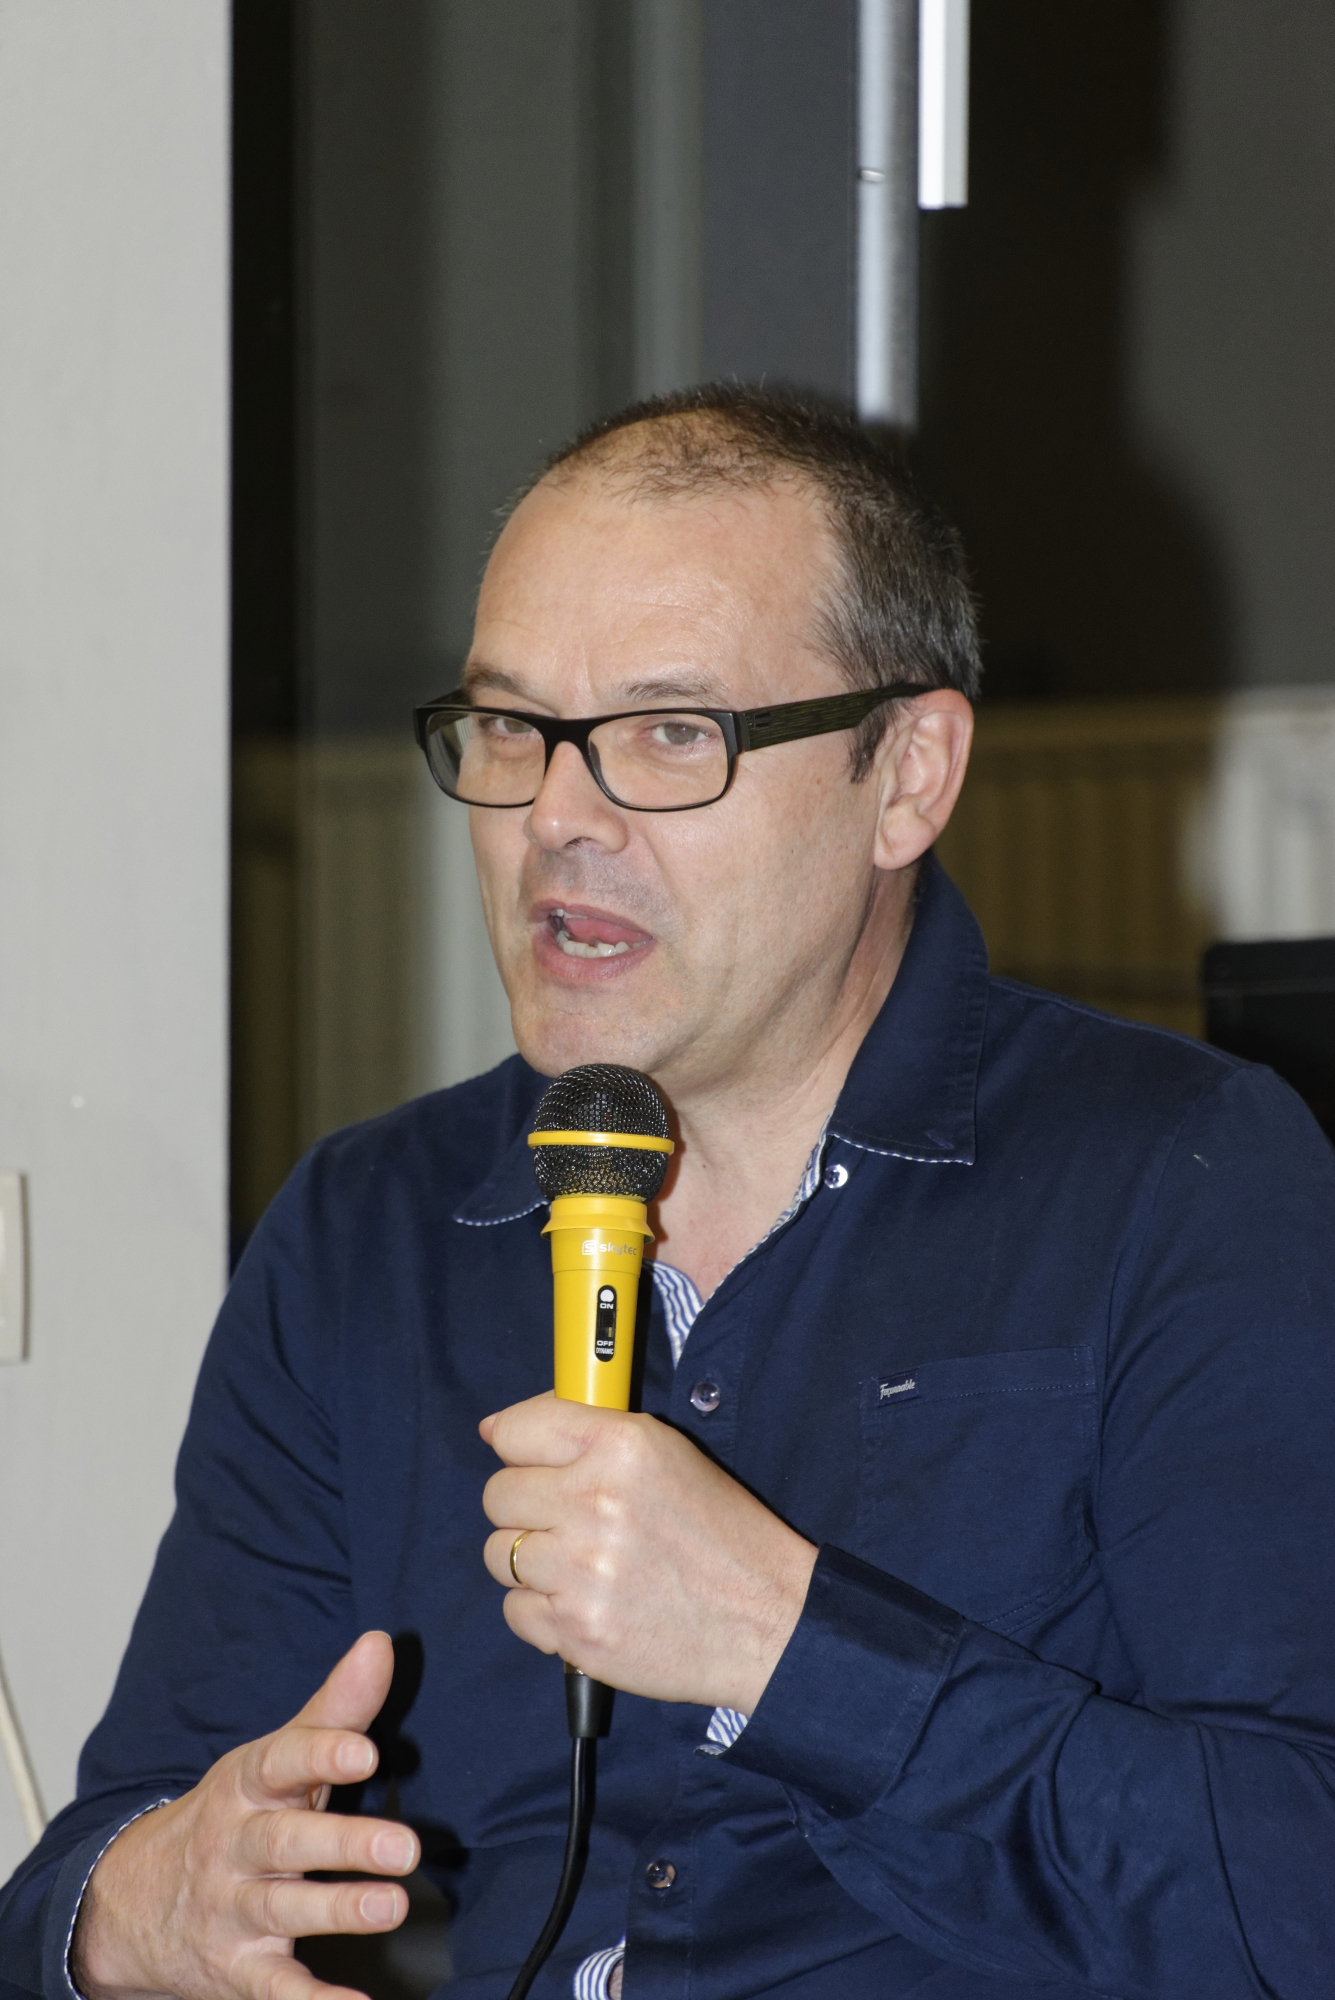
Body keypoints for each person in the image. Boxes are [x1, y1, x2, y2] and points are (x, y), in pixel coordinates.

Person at [4, 387, 1335, 2000]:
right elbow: (104, 1854)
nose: (557, 820)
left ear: (908, 776)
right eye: (511, 728)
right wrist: (135, 1912)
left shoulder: (1184, 1180)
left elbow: (1299, 1888)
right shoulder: (365, 1233)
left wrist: (783, 1647)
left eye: (671, 735)